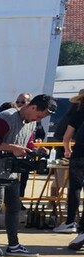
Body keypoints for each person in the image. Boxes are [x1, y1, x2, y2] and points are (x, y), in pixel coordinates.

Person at [0, 94, 54, 257]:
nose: (38, 119)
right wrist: (12, 147)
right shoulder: (6, 117)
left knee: (14, 208)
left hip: (13, 173)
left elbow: (28, 143)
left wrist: (37, 150)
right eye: (39, 115)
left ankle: (13, 245)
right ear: (33, 107)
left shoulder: (32, 122)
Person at [59, 91, 84, 237]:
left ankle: (70, 221)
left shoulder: (77, 114)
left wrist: (67, 151)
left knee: (75, 187)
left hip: (79, 153)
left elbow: (66, 137)